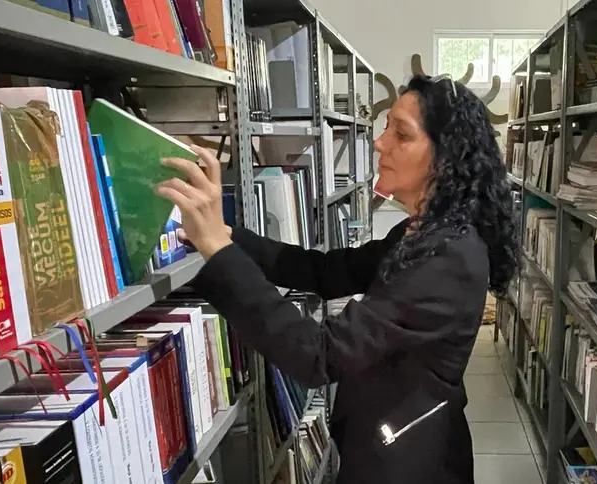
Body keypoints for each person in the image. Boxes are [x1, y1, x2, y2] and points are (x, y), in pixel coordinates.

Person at [155, 74, 520, 484]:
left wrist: (218, 253)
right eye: (385, 129)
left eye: (401, 134)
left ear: (445, 157)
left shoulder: (448, 257)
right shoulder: (421, 233)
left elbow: (318, 356)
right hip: (391, 444)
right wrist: (226, 236)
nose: (379, 143)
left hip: (409, 465)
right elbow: (326, 271)